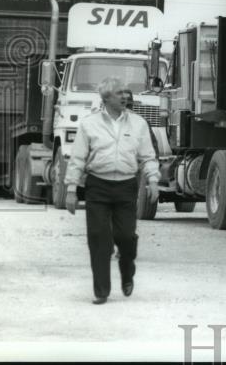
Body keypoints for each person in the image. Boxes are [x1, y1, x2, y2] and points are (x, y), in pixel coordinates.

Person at [65, 77, 159, 304]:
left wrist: (153, 180)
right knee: (99, 239)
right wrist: (70, 188)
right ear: (106, 97)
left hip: (127, 186)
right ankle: (101, 291)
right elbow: (77, 158)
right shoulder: (89, 124)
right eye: (120, 93)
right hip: (98, 185)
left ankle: (127, 270)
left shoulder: (138, 124)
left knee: (126, 237)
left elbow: (147, 156)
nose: (126, 96)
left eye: (127, 92)